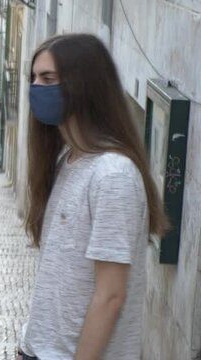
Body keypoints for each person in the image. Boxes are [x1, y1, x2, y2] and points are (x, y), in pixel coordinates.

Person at [18, 34, 168, 360]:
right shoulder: (68, 162)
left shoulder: (113, 175)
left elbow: (110, 297)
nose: (36, 88)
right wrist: (28, 344)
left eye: (48, 79)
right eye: (33, 78)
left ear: (82, 85)